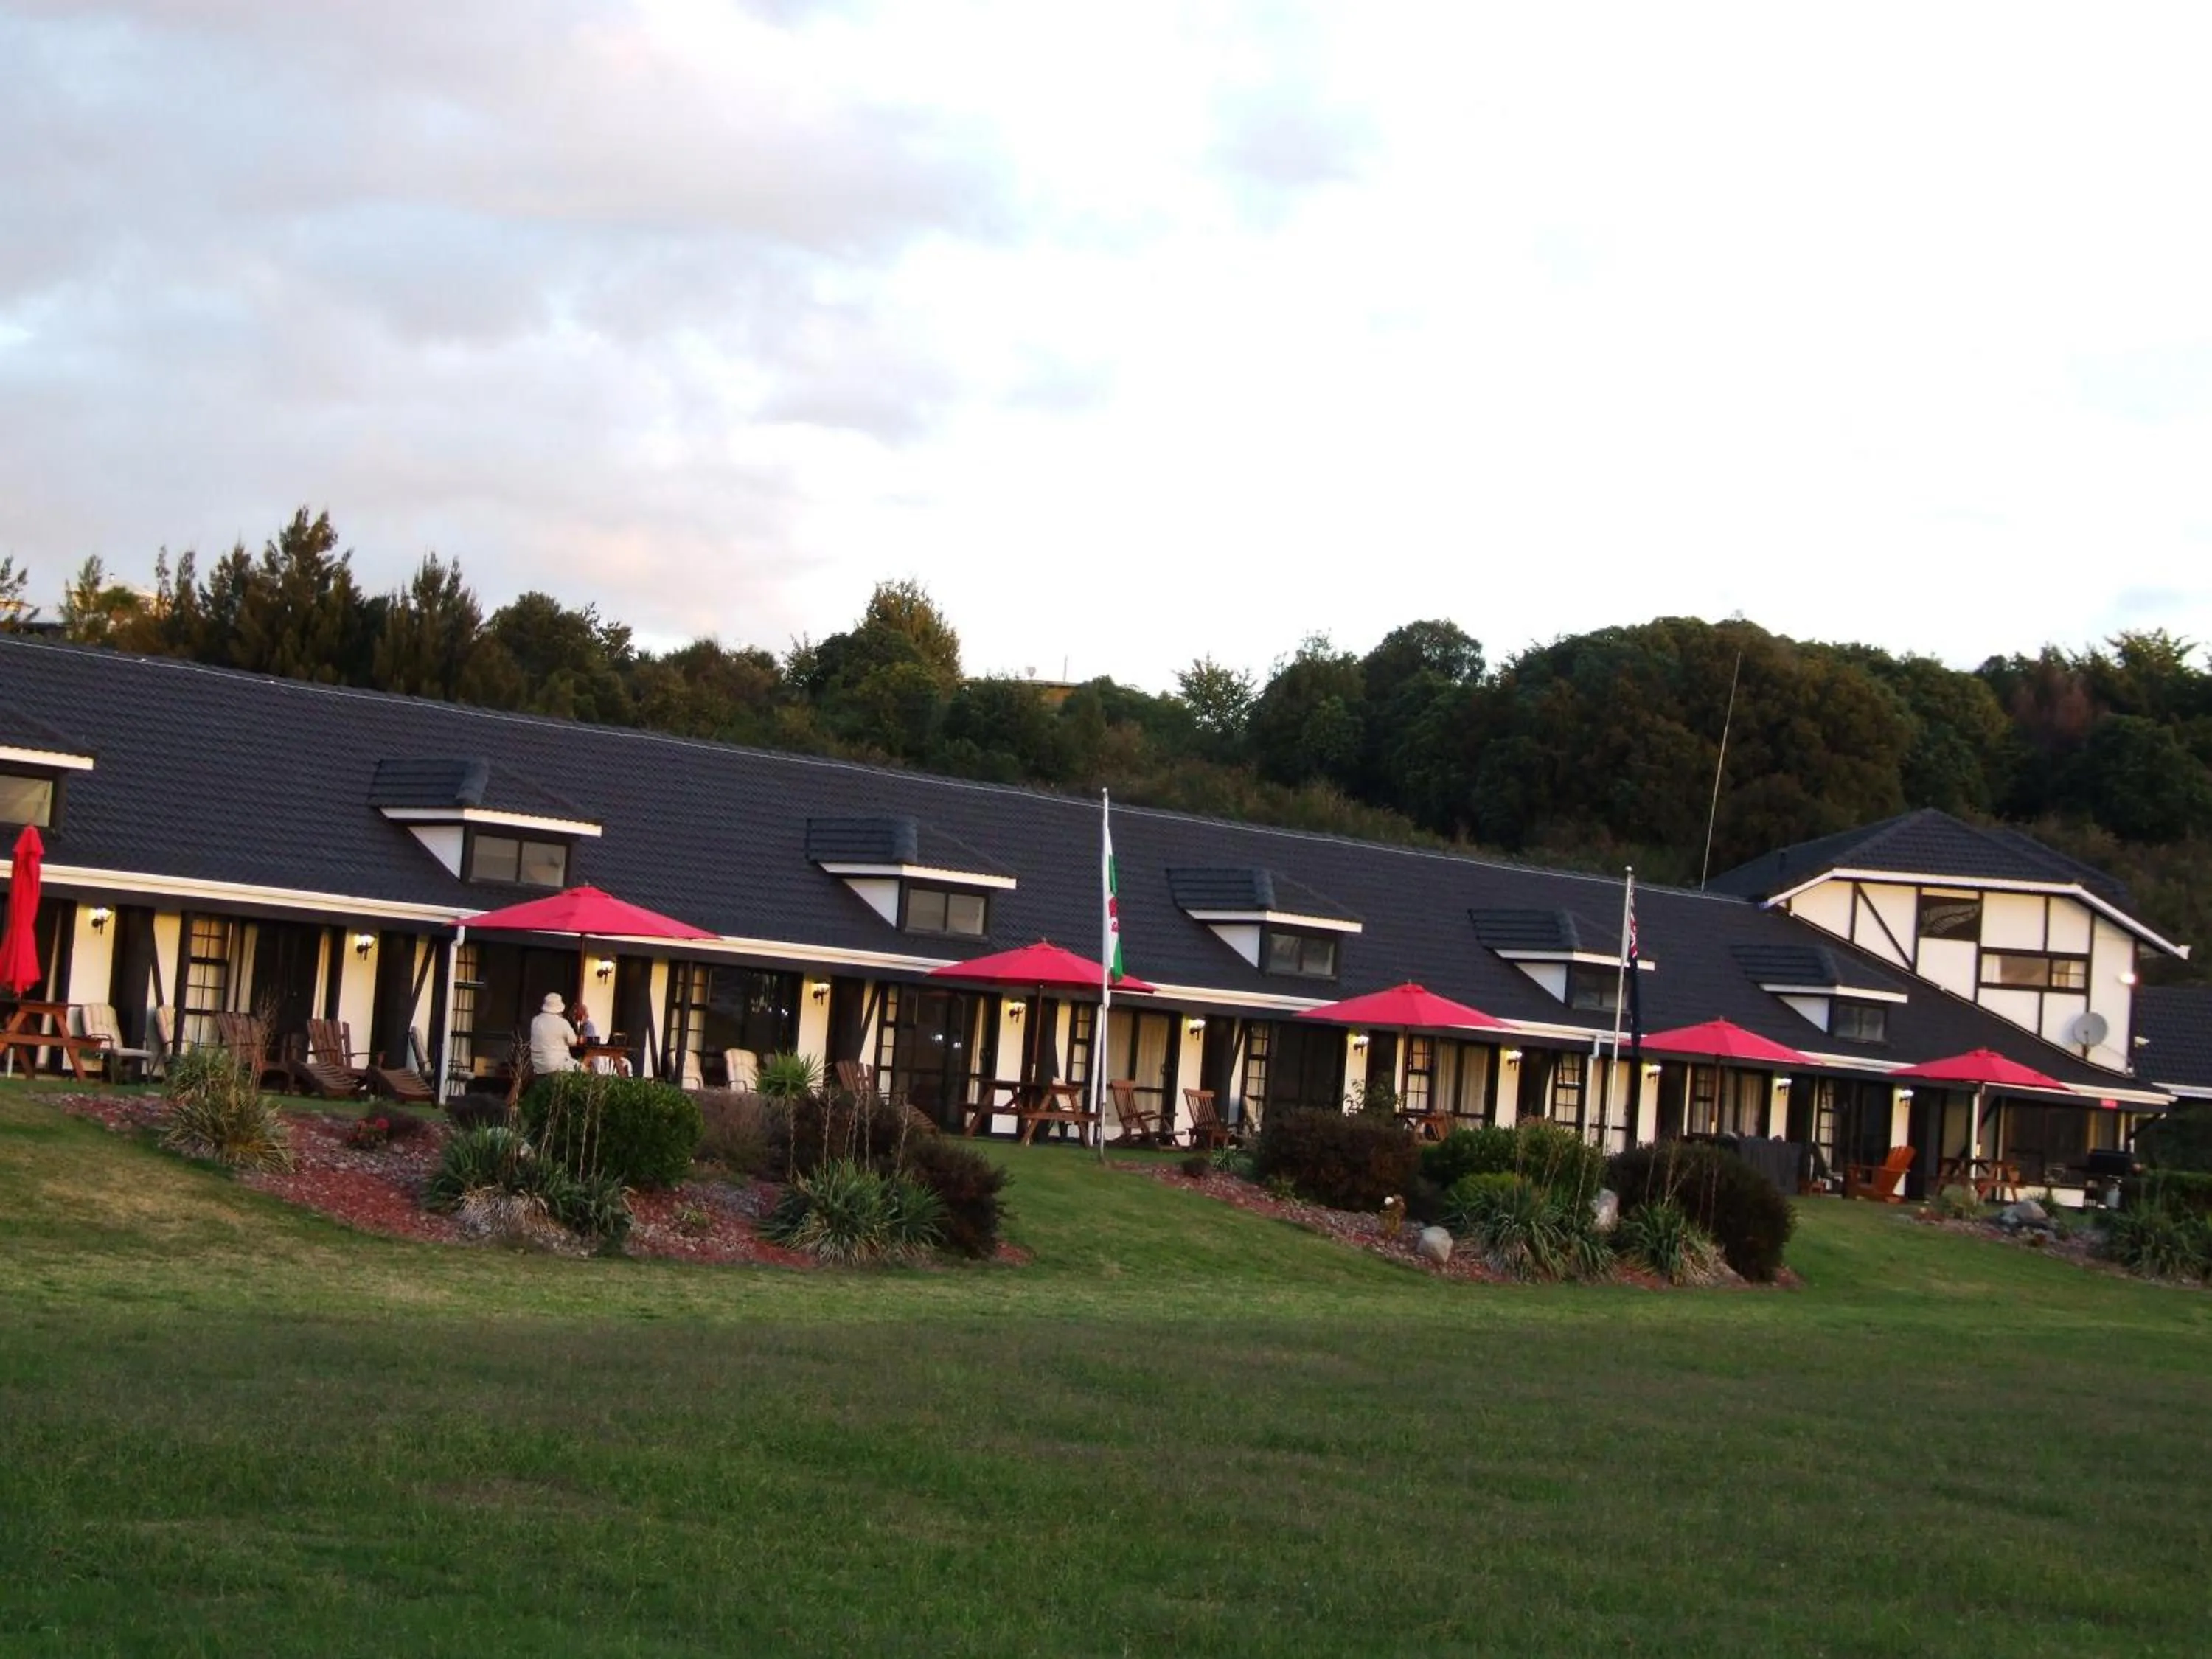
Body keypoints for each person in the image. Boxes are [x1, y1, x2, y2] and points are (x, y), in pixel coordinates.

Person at [529, 992, 579, 1076]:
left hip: (538, 1065)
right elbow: (573, 1041)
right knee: (584, 1069)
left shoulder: (535, 1020)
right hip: (558, 1063)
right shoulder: (562, 1022)